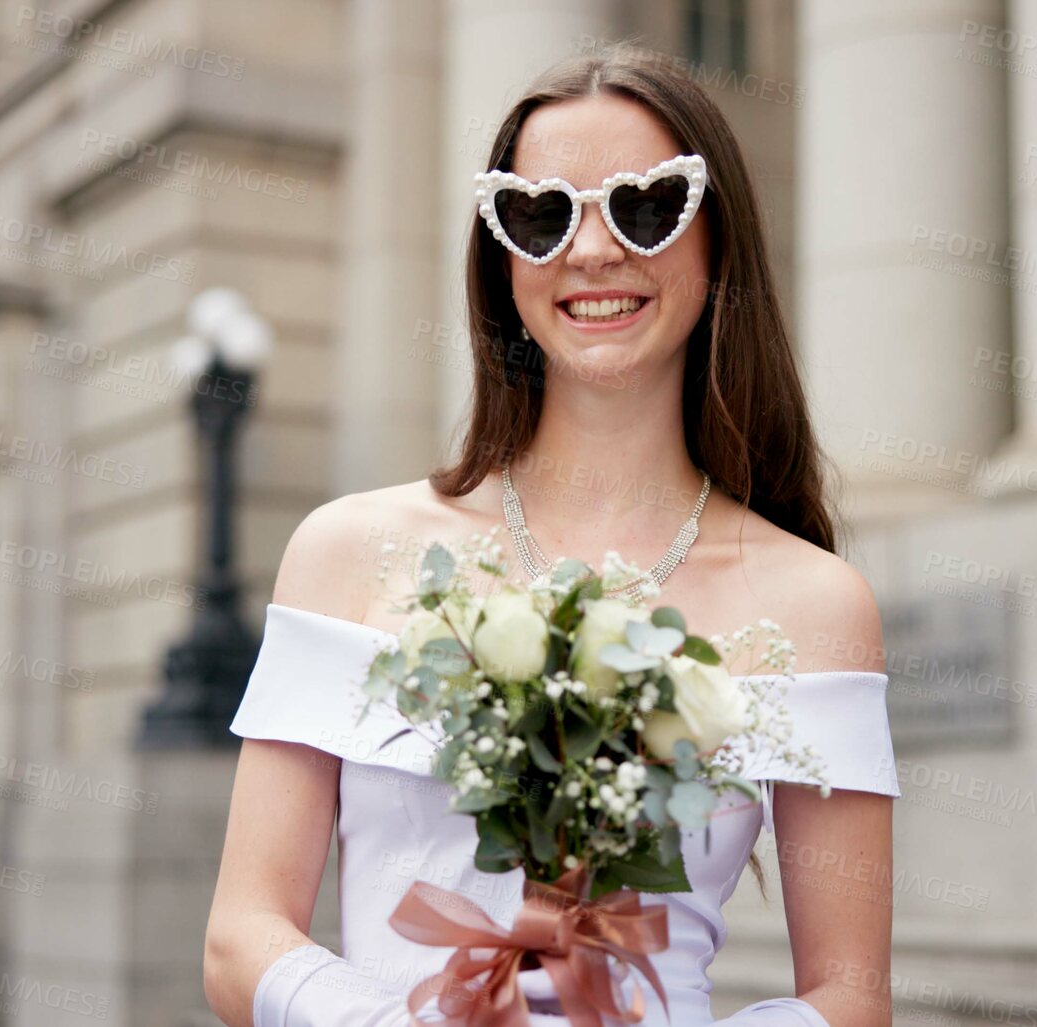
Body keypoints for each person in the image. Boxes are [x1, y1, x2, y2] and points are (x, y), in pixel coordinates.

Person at [204, 45, 898, 1027]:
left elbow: (854, 996)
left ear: (718, 240)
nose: (592, 249)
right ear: (503, 261)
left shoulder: (815, 603)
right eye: (540, 216)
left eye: (647, 204)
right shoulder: (346, 551)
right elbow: (240, 934)